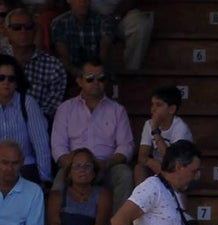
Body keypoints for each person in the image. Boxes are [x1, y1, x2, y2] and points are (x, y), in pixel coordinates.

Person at [50, 59, 133, 211]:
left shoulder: (117, 110)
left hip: (106, 166)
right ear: (79, 81)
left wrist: (105, 164)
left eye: (101, 78)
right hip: (74, 166)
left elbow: (126, 147)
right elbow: (58, 147)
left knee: (125, 175)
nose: (96, 82)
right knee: (58, 184)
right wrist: (74, 166)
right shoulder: (65, 109)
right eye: (90, 78)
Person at [4, 6, 68, 122]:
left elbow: (50, 110)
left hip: (36, 127)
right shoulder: (1, 59)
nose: (23, 31)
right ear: (7, 31)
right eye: (16, 27)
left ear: (35, 30)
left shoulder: (54, 67)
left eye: (28, 27)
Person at [0, 55, 51, 185]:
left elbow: (41, 144)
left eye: (11, 79)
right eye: (1, 78)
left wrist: (45, 179)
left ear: (17, 82)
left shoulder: (28, 103)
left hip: (23, 167)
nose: (6, 82)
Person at [134, 84, 193, 186]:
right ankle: (143, 200)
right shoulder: (149, 124)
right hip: (158, 168)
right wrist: (151, 162)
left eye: (158, 105)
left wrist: (156, 131)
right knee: (139, 168)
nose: (153, 109)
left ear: (172, 109)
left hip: (179, 169)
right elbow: (142, 156)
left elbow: (171, 160)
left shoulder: (180, 127)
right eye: (152, 104)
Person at [50, 0, 114, 73]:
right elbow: (64, 57)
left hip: (98, 73)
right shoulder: (59, 23)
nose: (83, 2)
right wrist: (79, 75)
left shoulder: (104, 21)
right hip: (71, 73)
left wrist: (92, 74)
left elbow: (104, 53)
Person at [90, 0, 152, 71]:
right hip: (89, 15)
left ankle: (131, 73)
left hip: (120, 15)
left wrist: (115, 16)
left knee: (140, 25)